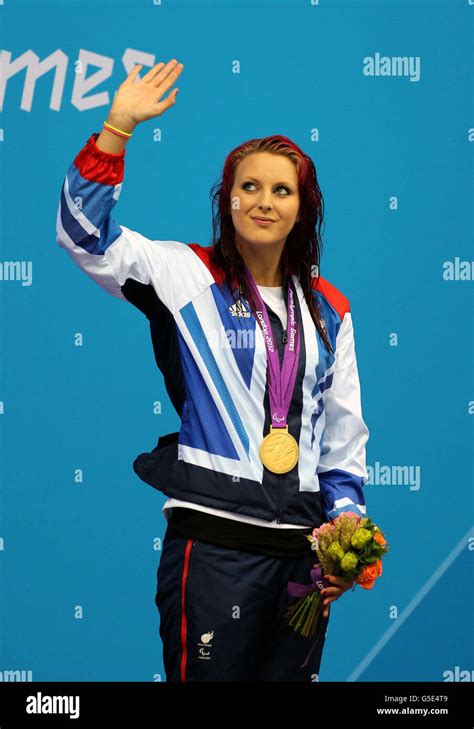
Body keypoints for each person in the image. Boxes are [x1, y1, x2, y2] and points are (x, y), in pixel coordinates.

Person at [55, 59, 370, 682]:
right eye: (248, 186)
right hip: (214, 545)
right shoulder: (185, 275)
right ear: (227, 199)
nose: (264, 201)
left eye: (282, 190)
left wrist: (345, 537)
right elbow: (82, 235)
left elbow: (343, 440)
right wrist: (116, 128)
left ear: (303, 209)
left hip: (300, 559)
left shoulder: (331, 309)